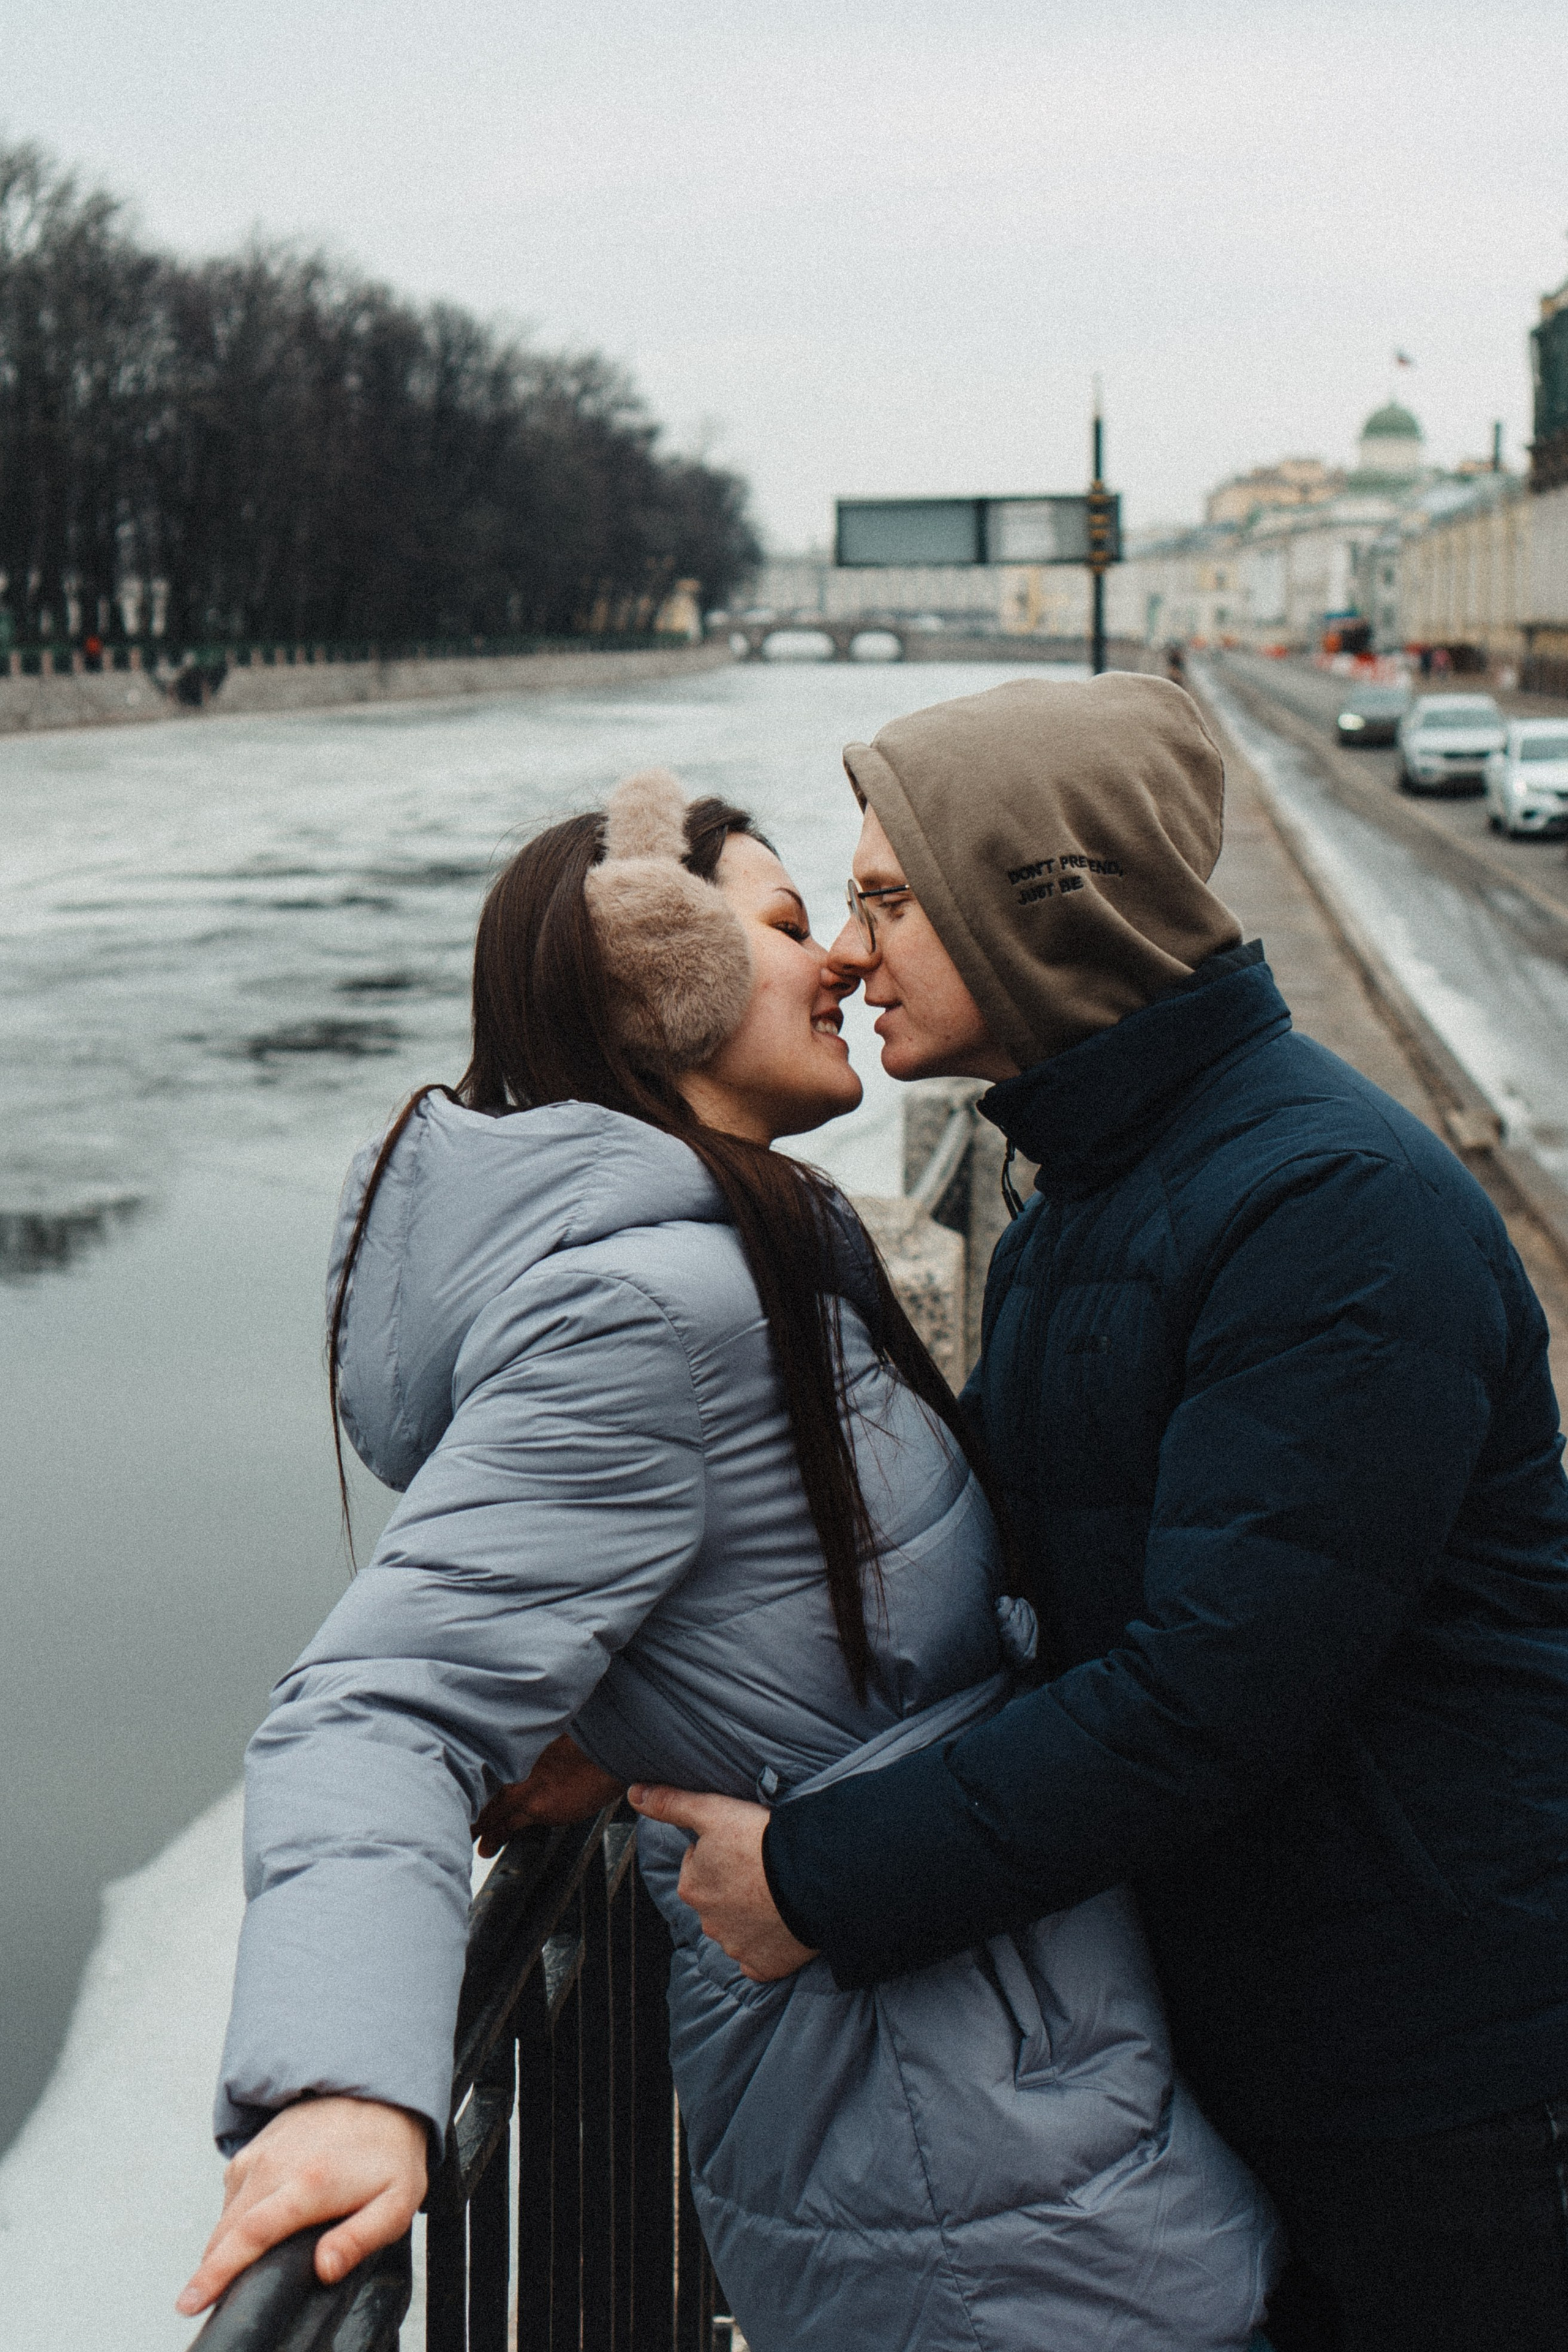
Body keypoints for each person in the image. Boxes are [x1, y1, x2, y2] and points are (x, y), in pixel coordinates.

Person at [179, 769, 1278, 2349]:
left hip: (996, 2096)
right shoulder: (653, 1317)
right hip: (947, 2157)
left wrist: (622, 1724)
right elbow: (377, 1709)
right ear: (658, 980)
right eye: (782, 924)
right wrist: (343, 2083)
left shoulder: (748, 1260)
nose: (839, 955)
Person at [630, 675, 1568, 2352]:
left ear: (1039, 906)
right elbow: (975, 1580)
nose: (845, 953)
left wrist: (825, 1878)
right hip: (1269, 2022)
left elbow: (1208, 1694)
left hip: (1445, 2076)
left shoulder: (1327, 1209)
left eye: (890, 901)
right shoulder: (1104, 1192)